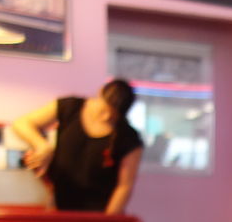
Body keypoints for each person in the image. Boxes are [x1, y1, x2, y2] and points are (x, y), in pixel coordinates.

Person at [12, 79, 144, 214]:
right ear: (100, 94)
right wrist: (42, 146)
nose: (106, 117)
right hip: (59, 208)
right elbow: (22, 123)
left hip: (99, 214)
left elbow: (124, 186)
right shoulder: (70, 107)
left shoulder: (129, 138)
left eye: (114, 116)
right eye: (104, 110)